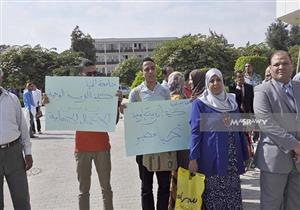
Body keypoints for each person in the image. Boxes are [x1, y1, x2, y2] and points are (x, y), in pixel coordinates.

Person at [45, 59, 122, 210]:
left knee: (106, 188)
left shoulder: (105, 92)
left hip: (102, 148)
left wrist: (116, 103)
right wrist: (49, 102)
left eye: (96, 73)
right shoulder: (71, 92)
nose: (93, 76)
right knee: (83, 191)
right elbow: (58, 109)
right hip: (82, 149)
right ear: (81, 75)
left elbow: (113, 122)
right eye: (89, 73)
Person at [188, 68, 249, 210]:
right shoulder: (200, 104)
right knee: (214, 198)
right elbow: (195, 132)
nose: (215, 83)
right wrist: (193, 158)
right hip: (212, 158)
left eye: (218, 80)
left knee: (232, 196)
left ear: (223, 81)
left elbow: (239, 130)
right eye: (212, 81)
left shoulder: (232, 102)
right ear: (206, 83)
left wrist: (245, 155)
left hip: (232, 157)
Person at [253, 50, 300, 210]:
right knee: (271, 205)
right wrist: (296, 145)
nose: (281, 67)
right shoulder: (262, 90)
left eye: (285, 63)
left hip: (299, 162)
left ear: (292, 66)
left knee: (295, 204)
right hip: (275, 161)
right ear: (270, 68)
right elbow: (266, 123)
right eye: (276, 64)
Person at [128, 57, 171, 210]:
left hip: (163, 146)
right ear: (142, 73)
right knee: (146, 187)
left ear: (156, 70)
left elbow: (170, 117)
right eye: (147, 69)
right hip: (143, 148)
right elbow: (131, 121)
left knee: (164, 186)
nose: (150, 71)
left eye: (152, 68)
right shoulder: (136, 93)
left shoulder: (165, 92)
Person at [0, 68, 33, 209]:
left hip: (14, 152)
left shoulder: (12, 99)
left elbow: (23, 127)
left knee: (22, 199)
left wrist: (28, 152)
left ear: (1, 78)